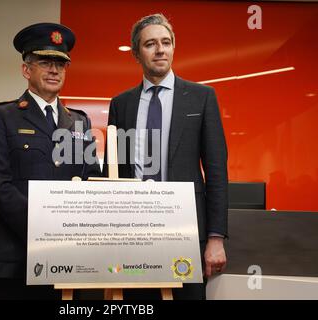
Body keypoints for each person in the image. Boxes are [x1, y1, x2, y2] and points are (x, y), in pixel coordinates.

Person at [104, 13, 228, 300]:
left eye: (166, 42)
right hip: (132, 236)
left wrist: (215, 237)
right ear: (136, 53)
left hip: (186, 233)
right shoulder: (121, 104)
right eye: (150, 44)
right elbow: (115, 171)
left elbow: (217, 171)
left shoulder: (202, 97)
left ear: (173, 47)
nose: (160, 50)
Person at [0, 22, 101, 300]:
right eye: (45, 62)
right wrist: (43, 230)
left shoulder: (80, 122)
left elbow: (92, 180)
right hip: (14, 258)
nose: (54, 70)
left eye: (61, 64)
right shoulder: (2, 116)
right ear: (26, 69)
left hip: (70, 259)